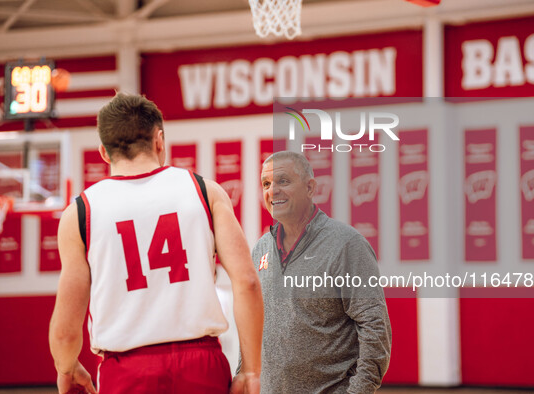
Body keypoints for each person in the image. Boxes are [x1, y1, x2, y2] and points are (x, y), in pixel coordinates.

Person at [49, 93, 263, 394]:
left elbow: (66, 327)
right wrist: (252, 370)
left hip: (127, 370)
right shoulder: (205, 191)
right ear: (159, 140)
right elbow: (248, 283)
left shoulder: (80, 213)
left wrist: (66, 366)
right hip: (201, 363)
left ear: (104, 152)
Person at [253, 150, 391, 393]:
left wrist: (358, 390)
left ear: (310, 187)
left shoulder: (346, 244)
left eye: (283, 181)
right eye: (266, 183)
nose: (272, 191)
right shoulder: (261, 248)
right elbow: (252, 327)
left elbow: (375, 328)